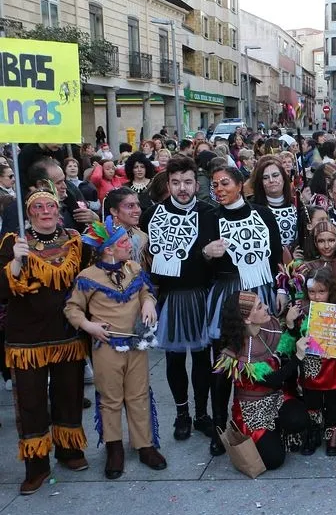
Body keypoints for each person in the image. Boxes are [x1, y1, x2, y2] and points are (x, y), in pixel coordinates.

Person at [0, 187, 88, 495]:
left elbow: (90, 277)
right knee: (31, 402)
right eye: (38, 207)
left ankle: (69, 451)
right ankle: (36, 466)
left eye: (50, 206)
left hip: (66, 333)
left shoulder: (74, 240)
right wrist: (15, 262)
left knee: (69, 394)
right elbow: (2, 290)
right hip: (27, 340)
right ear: (29, 213)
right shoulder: (13, 242)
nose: (45, 212)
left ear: (58, 210)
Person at [63, 216, 166, 479]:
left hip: (136, 344)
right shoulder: (88, 276)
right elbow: (72, 308)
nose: (129, 245)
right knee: (110, 399)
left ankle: (144, 445)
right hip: (107, 347)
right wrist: (89, 326)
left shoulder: (133, 268)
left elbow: (146, 291)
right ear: (108, 249)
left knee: (139, 394)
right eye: (123, 243)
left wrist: (148, 302)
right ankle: (114, 448)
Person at [203, 165, 283, 455]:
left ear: (240, 184)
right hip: (229, 294)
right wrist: (206, 253)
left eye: (225, 183)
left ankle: (268, 412)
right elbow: (201, 260)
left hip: (261, 289)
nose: (219, 189)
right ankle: (219, 426)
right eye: (215, 185)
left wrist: (281, 289)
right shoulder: (210, 217)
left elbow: (276, 254)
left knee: (264, 351)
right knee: (225, 360)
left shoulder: (263, 213)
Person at [141, 156, 217, 442]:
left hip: (201, 294)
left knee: (202, 359)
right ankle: (182, 414)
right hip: (169, 296)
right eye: (176, 182)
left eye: (187, 182)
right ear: (168, 184)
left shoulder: (210, 213)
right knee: (174, 360)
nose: (182, 188)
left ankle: (201, 414)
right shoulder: (152, 215)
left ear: (196, 184)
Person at [212, 291, 309, 470]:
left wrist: (290, 326)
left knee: (299, 419)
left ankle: (276, 429)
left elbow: (282, 349)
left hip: (276, 398)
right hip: (252, 409)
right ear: (247, 319)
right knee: (274, 460)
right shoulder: (236, 352)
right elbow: (273, 380)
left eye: (262, 303)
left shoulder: (265, 329)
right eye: (259, 306)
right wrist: (298, 357)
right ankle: (265, 435)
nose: (266, 307)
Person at [285, 267, 336, 456]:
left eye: (322, 291)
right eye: (312, 292)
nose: (317, 297)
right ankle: (313, 431)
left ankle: (334, 430)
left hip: (333, 368)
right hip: (310, 368)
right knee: (311, 400)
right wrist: (290, 322)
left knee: (334, 401)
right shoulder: (301, 311)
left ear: (330, 291)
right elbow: (291, 341)